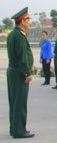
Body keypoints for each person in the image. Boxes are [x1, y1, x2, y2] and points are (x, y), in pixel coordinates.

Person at [7, 7, 35, 139]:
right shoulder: (20, 36)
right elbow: (22, 57)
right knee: (20, 102)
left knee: (14, 101)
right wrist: (27, 73)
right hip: (19, 72)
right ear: (22, 21)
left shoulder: (13, 34)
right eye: (28, 19)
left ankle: (14, 127)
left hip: (13, 71)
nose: (29, 22)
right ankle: (19, 130)